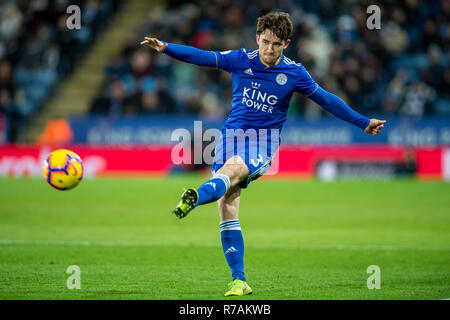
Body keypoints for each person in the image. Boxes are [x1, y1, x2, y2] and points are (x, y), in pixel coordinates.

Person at [141, 11, 386, 297]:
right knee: (227, 206)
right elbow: (202, 56)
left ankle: (195, 196)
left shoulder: (295, 73)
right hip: (229, 139)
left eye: (277, 44)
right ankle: (238, 280)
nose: (270, 49)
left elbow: (327, 100)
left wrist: (363, 122)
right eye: (266, 42)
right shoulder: (240, 59)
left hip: (261, 145)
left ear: (287, 43)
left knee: (231, 173)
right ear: (258, 38)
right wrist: (167, 47)